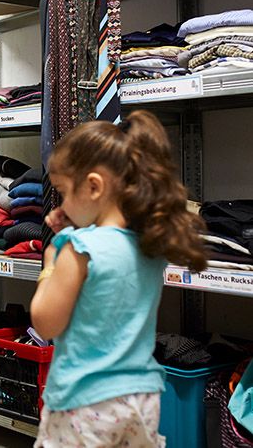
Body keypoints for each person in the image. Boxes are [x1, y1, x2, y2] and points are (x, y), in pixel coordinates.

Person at [30, 110, 207, 447]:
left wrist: (52, 258)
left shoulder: (76, 249)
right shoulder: (151, 246)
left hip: (84, 400)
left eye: (64, 192)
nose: (63, 203)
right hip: (141, 398)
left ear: (94, 186)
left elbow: (45, 323)